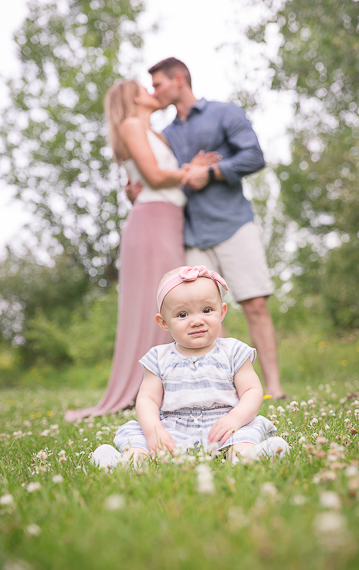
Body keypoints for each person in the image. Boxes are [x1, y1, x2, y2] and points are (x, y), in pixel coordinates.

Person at [130, 57, 286, 399]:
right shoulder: (166, 134)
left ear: (179, 79)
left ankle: (273, 387)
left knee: (255, 304)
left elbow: (254, 156)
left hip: (232, 224)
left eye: (158, 84)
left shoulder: (224, 113)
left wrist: (212, 172)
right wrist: (142, 187)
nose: (155, 91)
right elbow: (164, 176)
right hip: (190, 235)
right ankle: (227, 389)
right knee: (206, 314)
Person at [65, 81, 218, 421]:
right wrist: (191, 172)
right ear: (134, 97)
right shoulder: (131, 125)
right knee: (158, 303)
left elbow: (159, 171)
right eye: (145, 87)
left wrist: (185, 166)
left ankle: (170, 387)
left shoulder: (156, 134)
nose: (152, 91)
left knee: (172, 300)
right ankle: (142, 390)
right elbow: (153, 176)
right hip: (150, 221)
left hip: (169, 221)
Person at [91, 266, 288, 468]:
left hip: (224, 426)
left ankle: (247, 457)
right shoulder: (158, 357)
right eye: (183, 314)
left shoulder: (234, 351)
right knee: (138, 435)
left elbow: (252, 390)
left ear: (222, 312)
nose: (197, 321)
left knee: (245, 433)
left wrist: (235, 419)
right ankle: (130, 461)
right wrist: (155, 431)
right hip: (172, 429)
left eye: (207, 310)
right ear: (163, 322)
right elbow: (147, 399)